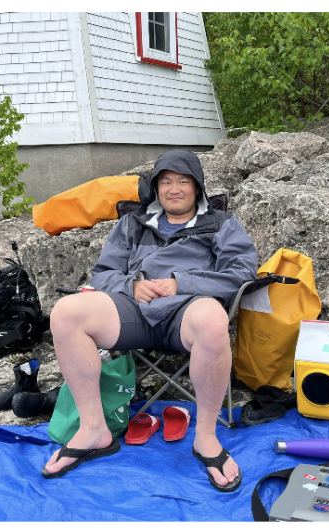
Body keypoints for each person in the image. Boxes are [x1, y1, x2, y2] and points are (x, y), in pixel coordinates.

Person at [41, 150, 257, 492]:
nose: (174, 189)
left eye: (183, 181)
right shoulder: (132, 222)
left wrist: (180, 283)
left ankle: (205, 439)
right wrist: (133, 285)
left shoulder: (221, 224)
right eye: (166, 182)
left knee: (213, 318)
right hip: (133, 311)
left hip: (186, 313)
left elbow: (241, 274)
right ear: (156, 188)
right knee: (67, 312)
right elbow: (104, 274)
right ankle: (94, 428)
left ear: (197, 188)